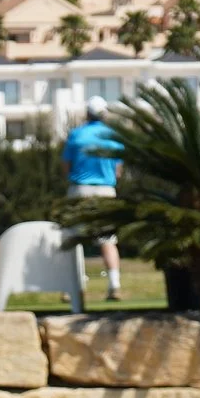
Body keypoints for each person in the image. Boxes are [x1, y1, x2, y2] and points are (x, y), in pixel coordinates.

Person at [62, 96, 124, 301]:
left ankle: (70, 289)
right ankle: (114, 284)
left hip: (79, 189)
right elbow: (118, 171)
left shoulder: (76, 135)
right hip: (106, 190)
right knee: (107, 240)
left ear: (87, 114)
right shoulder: (113, 136)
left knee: (73, 239)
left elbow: (66, 166)